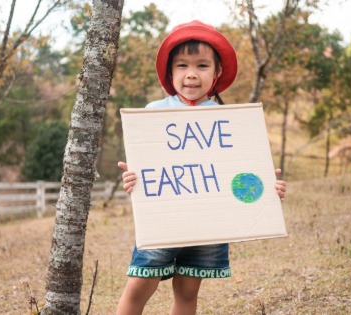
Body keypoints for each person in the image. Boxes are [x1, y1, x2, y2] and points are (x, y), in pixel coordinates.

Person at [116, 20, 287, 315]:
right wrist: (132, 178)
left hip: (208, 223)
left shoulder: (227, 120)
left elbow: (240, 173)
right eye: (182, 65)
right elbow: (147, 167)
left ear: (217, 72)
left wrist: (266, 187)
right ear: (170, 72)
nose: (192, 74)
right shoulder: (153, 113)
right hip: (163, 218)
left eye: (202, 66)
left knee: (187, 292)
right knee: (139, 285)